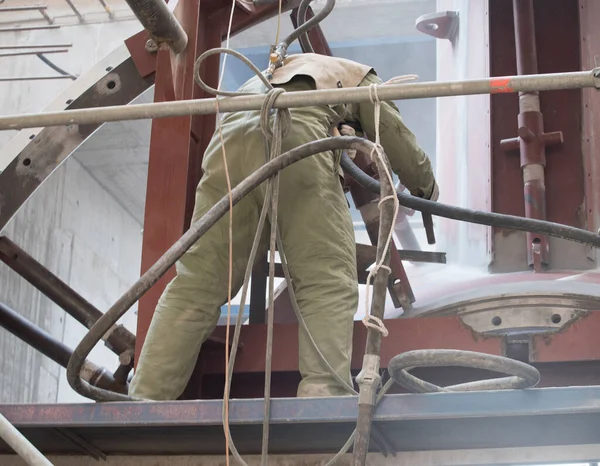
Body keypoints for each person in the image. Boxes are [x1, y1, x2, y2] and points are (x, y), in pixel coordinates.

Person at [129, 53, 438, 400]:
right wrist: (426, 188)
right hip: (294, 137)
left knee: (197, 284)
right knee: (326, 278)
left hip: (226, 152)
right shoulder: (360, 77)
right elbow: (394, 135)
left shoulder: (271, 74)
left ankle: (144, 398)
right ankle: (323, 395)